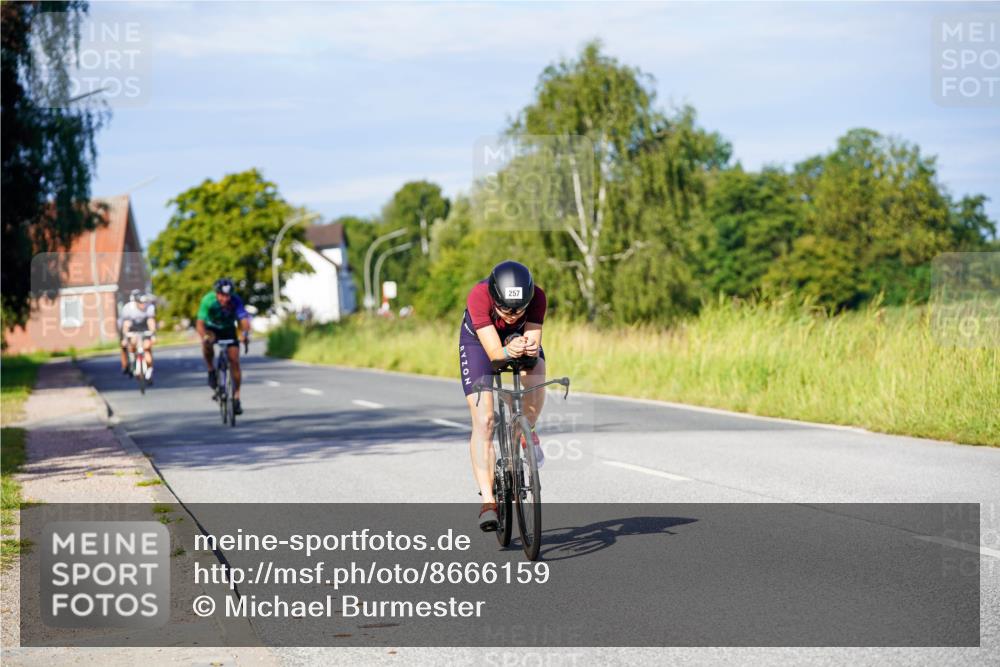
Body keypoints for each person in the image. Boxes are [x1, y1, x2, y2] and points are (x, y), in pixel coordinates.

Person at [459, 260, 547, 532]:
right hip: (479, 343)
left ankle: (526, 429)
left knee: (538, 370)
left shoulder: (538, 298)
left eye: (519, 308)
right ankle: (488, 502)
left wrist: (527, 348)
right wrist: (509, 349)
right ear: (494, 298)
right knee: (484, 420)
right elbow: (496, 355)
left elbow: (533, 345)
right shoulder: (478, 295)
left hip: (515, 340)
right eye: (505, 308)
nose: (512, 314)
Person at [196, 278, 251, 415]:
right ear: (216, 293)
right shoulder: (208, 300)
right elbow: (200, 323)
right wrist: (204, 337)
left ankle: (236, 397)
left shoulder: (236, 300)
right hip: (211, 329)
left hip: (228, 329)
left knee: (234, 361)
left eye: (228, 295)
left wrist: (244, 334)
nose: (225, 299)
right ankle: (211, 370)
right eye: (222, 295)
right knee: (207, 344)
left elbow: (243, 320)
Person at [120, 289, 157, 382]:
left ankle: (149, 370)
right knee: (132, 343)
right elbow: (126, 324)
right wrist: (125, 337)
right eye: (140, 303)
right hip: (133, 328)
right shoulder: (128, 308)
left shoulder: (149, 307)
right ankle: (133, 361)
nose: (143, 305)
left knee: (147, 347)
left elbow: (151, 321)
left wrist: (153, 334)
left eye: (144, 303)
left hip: (144, 327)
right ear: (136, 302)